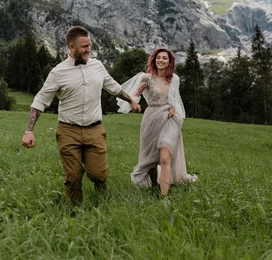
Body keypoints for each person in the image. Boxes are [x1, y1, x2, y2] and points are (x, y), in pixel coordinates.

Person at [21, 26, 141, 203]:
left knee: (98, 175)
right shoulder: (58, 72)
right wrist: (29, 130)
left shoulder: (98, 66)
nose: (88, 49)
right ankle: (75, 212)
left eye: (89, 45)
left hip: (95, 130)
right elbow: (40, 100)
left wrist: (130, 100)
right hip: (68, 131)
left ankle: (101, 191)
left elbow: (113, 87)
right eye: (84, 46)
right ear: (71, 47)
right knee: (73, 177)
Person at [117, 48, 197, 196]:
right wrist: (133, 103)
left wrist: (173, 107)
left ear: (169, 62)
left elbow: (175, 98)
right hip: (151, 118)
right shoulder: (147, 78)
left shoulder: (174, 79)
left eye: (164, 58)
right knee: (151, 159)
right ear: (154, 60)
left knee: (165, 157)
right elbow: (135, 95)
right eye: (158, 58)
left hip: (169, 119)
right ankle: (154, 186)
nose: (161, 60)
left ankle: (164, 197)